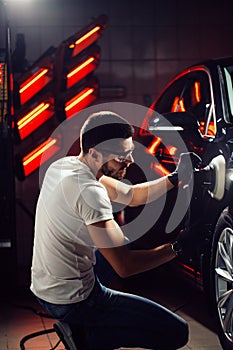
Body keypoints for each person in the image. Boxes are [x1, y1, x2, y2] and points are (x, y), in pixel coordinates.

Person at [30, 111, 200, 350]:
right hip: (72, 300)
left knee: (123, 240)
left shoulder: (65, 166)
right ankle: (87, 338)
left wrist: (175, 178)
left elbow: (131, 196)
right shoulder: (89, 192)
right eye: (121, 156)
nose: (129, 161)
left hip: (43, 289)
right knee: (177, 332)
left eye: (129, 152)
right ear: (94, 153)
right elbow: (126, 266)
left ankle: (88, 324)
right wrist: (179, 248)